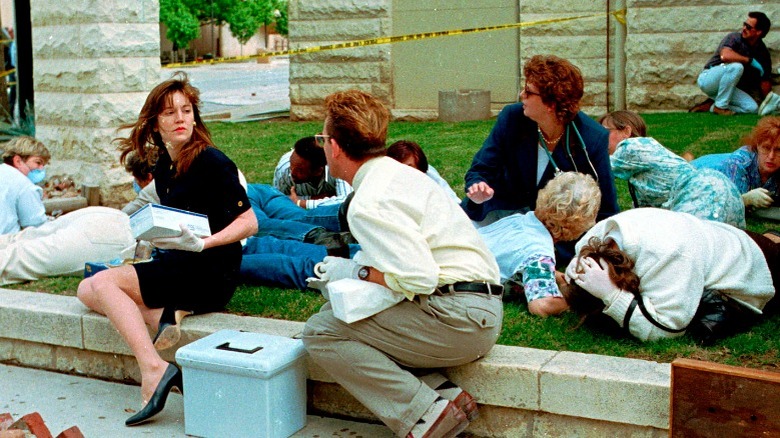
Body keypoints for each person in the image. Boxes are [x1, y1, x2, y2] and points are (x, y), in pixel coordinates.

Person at [302, 90, 503, 438]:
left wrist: (354, 271)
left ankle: (426, 417)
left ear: (334, 147)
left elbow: (419, 277)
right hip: (477, 310)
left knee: (322, 330)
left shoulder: (367, 202)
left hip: (459, 319)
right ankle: (442, 393)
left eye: (322, 139)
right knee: (348, 312)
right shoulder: (401, 174)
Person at [76, 72, 258, 427]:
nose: (180, 119)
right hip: (180, 261)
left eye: (186, 111)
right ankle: (160, 318)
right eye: (170, 113)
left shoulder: (212, 161)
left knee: (104, 284)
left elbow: (249, 223)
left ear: (195, 117)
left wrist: (203, 243)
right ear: (155, 123)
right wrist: (160, 235)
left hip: (210, 270)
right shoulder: (164, 165)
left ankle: (154, 368)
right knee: (86, 288)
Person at [462, 54, 618, 264]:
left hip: (552, 231)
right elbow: (480, 170)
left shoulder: (591, 138)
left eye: (528, 92)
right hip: (502, 212)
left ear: (550, 104)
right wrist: (478, 188)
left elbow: (606, 207)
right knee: (466, 247)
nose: (521, 95)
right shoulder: (512, 118)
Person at [562, 208, 777, 343]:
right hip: (717, 238)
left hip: (755, 265)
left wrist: (613, 297)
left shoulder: (667, 255)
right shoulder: (598, 237)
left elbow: (666, 329)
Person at [1, 136, 134, 285]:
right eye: (37, 163)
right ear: (18, 160)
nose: (40, 169)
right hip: (11, 236)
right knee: (21, 254)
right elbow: (36, 225)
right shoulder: (25, 186)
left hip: (8, 238)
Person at [478, 172, 601, 317]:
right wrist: (576, 301)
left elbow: (522, 264)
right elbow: (541, 305)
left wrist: (561, 279)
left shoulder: (520, 220)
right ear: (579, 224)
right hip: (462, 285)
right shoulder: (539, 252)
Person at [600, 110, 745, 228]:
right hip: (722, 192)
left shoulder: (630, 146)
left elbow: (596, 170)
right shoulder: (644, 155)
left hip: (702, 192)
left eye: (605, 131)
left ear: (626, 131)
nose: (601, 138)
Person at [690, 116, 780, 210]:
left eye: (778, 150)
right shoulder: (738, 163)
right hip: (698, 171)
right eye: (766, 148)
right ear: (757, 146)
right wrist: (747, 199)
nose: (771, 156)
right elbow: (729, 206)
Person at [694, 12, 772, 115]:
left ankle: (712, 107)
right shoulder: (734, 38)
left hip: (727, 87)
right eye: (744, 24)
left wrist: (769, 102)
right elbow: (725, 56)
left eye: (748, 27)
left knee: (752, 108)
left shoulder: (762, 52)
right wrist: (749, 60)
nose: (744, 28)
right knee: (737, 67)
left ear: (758, 32)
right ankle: (720, 107)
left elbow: (765, 81)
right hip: (708, 80)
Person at [273, 135, 353, 208]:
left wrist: (301, 203)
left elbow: (348, 201)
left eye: (299, 170)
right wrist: (312, 198)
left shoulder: (339, 166)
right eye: (291, 164)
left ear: (318, 171)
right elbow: (276, 200)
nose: (292, 172)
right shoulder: (284, 169)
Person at [386, 140, 460, 203]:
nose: (403, 171)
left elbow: (452, 201)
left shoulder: (429, 174)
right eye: (398, 167)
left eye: (409, 167)